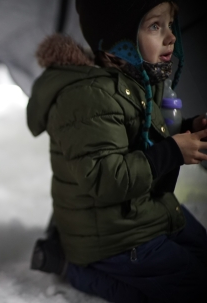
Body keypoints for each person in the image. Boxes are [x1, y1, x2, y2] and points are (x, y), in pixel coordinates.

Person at [26, 1, 207, 302]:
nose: (171, 36)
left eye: (170, 23)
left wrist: (189, 130)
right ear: (119, 41)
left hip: (145, 207)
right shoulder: (87, 97)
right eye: (154, 26)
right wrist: (173, 152)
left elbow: (141, 136)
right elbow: (104, 179)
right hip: (110, 234)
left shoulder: (139, 77)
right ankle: (71, 266)